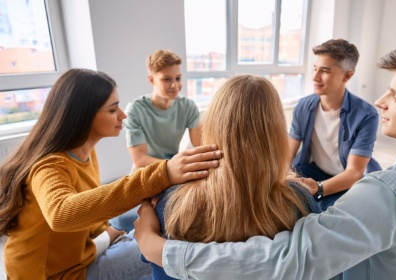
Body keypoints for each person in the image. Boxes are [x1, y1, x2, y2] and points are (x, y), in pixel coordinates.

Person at [134, 34, 396, 280]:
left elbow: (287, 261)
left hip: (337, 181)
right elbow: (287, 155)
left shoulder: (385, 191)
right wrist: (280, 184)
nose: (381, 101)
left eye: (394, 95)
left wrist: (158, 249)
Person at [0, 69, 220, 279]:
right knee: (168, 250)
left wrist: (109, 233)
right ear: (83, 116)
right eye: (113, 109)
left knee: (153, 223)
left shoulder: (84, 152)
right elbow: (61, 215)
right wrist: (162, 174)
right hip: (57, 275)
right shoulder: (50, 166)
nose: (122, 115)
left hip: (83, 253)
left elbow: (88, 205)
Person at [135, 75, 321, 279]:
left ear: (212, 125)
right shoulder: (299, 203)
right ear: (276, 135)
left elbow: (158, 269)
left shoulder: (171, 202)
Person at [289, 39, 381, 210]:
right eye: (315, 69)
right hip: (311, 171)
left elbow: (354, 173)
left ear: (347, 76)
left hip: (347, 181)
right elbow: (288, 153)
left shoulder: (366, 115)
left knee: (326, 217)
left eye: (324, 71)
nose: (315, 77)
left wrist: (319, 189)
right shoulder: (303, 106)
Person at [125, 49, 201, 170]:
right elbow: (139, 159)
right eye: (167, 79)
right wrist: (175, 165)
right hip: (146, 170)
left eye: (178, 78)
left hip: (175, 168)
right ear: (151, 80)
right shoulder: (135, 110)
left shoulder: (188, 107)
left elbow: (199, 147)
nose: (175, 85)